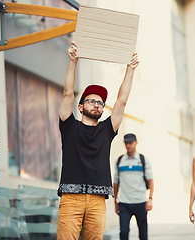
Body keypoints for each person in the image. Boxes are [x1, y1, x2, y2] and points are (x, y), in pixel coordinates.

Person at [56, 41, 139, 240]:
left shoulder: (107, 129)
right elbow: (68, 93)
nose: (97, 105)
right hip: (71, 199)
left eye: (100, 103)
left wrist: (130, 69)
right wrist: (73, 61)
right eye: (91, 101)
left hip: (98, 201)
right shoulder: (69, 125)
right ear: (80, 106)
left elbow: (122, 100)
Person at [113, 133, 154, 240]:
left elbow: (150, 180)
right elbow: (116, 183)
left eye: (130, 143)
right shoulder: (119, 161)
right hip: (124, 204)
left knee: (143, 234)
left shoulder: (143, 160)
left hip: (140, 202)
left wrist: (150, 199)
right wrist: (115, 203)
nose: (128, 145)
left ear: (136, 143)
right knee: (124, 233)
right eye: (126, 143)